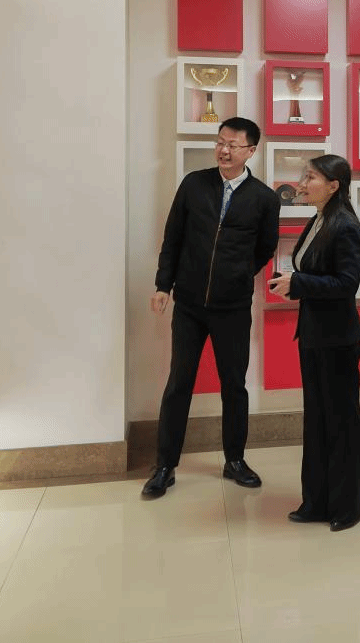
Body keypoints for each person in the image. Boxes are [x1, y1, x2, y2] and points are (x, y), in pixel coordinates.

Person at [143, 117, 280, 498]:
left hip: (232, 307)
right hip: (189, 304)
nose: (224, 150)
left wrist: (237, 274)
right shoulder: (194, 184)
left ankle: (234, 460)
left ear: (251, 151)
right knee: (179, 383)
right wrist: (163, 284)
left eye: (233, 145)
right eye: (220, 142)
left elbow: (264, 248)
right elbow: (173, 237)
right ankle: (165, 465)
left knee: (234, 386)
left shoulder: (264, 199)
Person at [269, 155, 360, 532]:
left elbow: (346, 284)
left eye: (310, 177)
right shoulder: (318, 219)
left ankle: (348, 506)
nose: (302, 183)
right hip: (313, 335)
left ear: (333, 186)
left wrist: (298, 283)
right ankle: (316, 501)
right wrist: (292, 282)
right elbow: (314, 272)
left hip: (338, 339)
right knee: (317, 421)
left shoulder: (346, 226)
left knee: (341, 424)